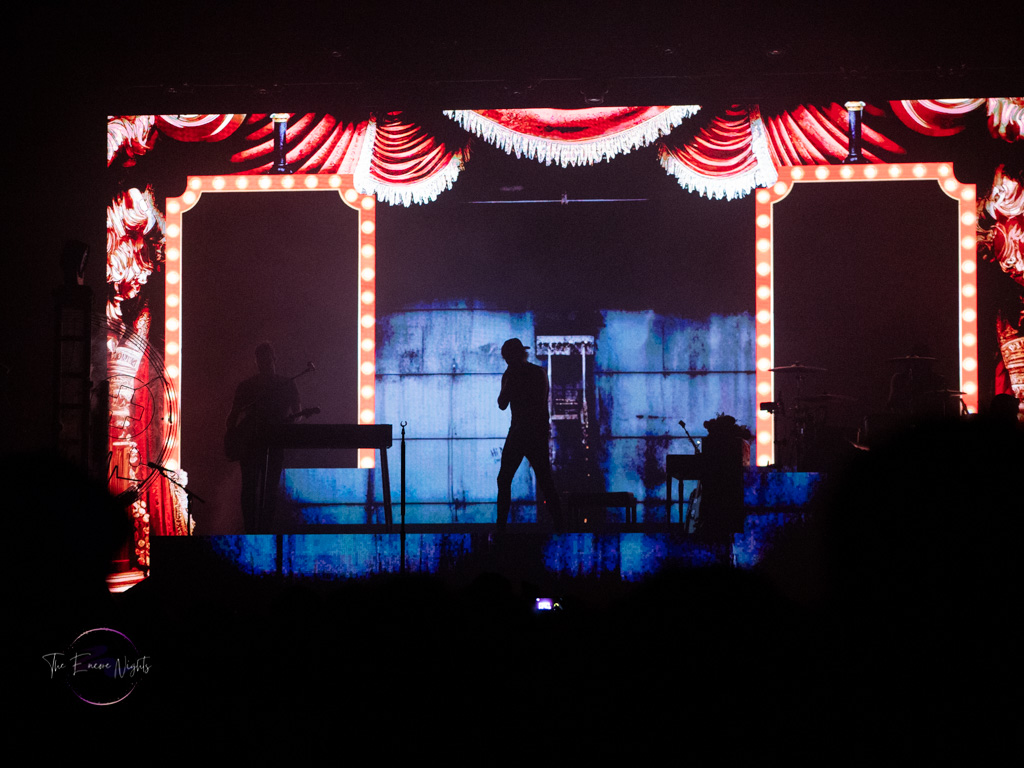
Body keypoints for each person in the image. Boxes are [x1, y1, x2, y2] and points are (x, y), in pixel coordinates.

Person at [226, 342, 301, 533]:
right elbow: (297, 413)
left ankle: (254, 530)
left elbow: (232, 418)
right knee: (261, 488)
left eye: (265, 360)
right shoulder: (282, 384)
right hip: (262, 442)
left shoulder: (249, 386)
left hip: (259, 442)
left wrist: (232, 438)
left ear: (272, 359)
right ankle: (260, 530)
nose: (264, 364)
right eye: (262, 361)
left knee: (257, 488)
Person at [496, 338, 564, 531]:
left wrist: (510, 382)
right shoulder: (537, 373)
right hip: (535, 433)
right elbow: (538, 405)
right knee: (545, 480)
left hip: (520, 432)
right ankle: (560, 522)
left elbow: (502, 404)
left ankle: (501, 526)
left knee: (505, 479)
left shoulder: (512, 375)